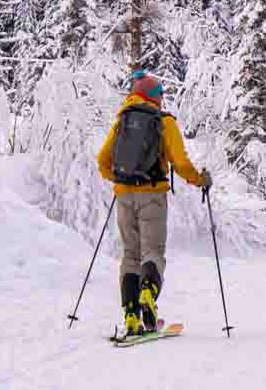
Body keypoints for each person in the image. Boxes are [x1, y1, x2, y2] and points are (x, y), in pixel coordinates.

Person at [96, 70, 211, 336]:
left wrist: (121, 180)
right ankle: (148, 293)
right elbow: (180, 162)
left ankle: (131, 315)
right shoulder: (163, 121)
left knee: (130, 256)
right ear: (155, 97)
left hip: (124, 196)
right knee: (153, 253)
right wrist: (200, 180)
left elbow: (103, 160)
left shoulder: (122, 120)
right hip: (152, 196)